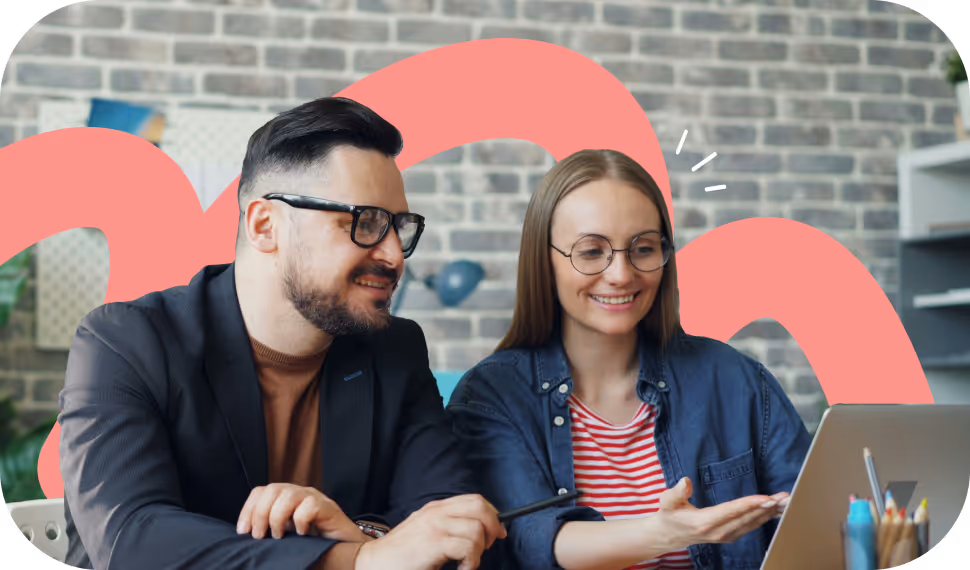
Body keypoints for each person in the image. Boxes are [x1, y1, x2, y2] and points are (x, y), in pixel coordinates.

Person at [58, 97, 506, 570]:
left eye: (398, 226)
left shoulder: (393, 349)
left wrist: (364, 536)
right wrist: (357, 560)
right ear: (265, 225)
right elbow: (132, 540)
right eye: (366, 222)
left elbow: (449, 522)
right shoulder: (125, 342)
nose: (395, 255)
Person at [446, 149, 813, 570]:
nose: (621, 274)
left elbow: (818, 522)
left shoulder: (738, 381)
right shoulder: (493, 396)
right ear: (544, 262)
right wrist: (666, 533)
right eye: (590, 251)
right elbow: (530, 539)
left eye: (642, 248)